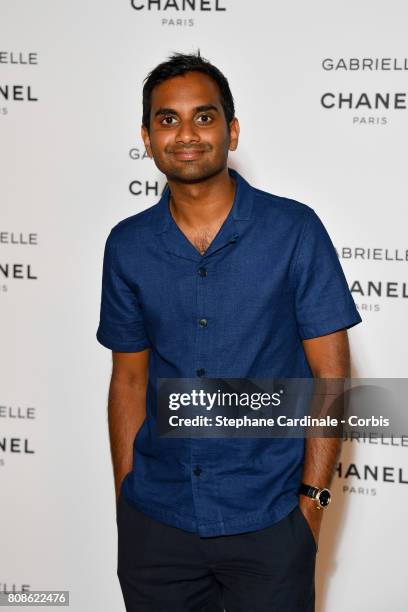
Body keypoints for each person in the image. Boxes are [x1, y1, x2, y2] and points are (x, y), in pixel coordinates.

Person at [96, 51, 362, 612]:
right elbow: (127, 382)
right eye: (167, 119)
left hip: (269, 521)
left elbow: (331, 375)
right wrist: (129, 501)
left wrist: (310, 505)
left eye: (204, 116)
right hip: (157, 525)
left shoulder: (294, 230)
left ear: (231, 130)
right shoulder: (127, 244)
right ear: (146, 138)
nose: (186, 133)